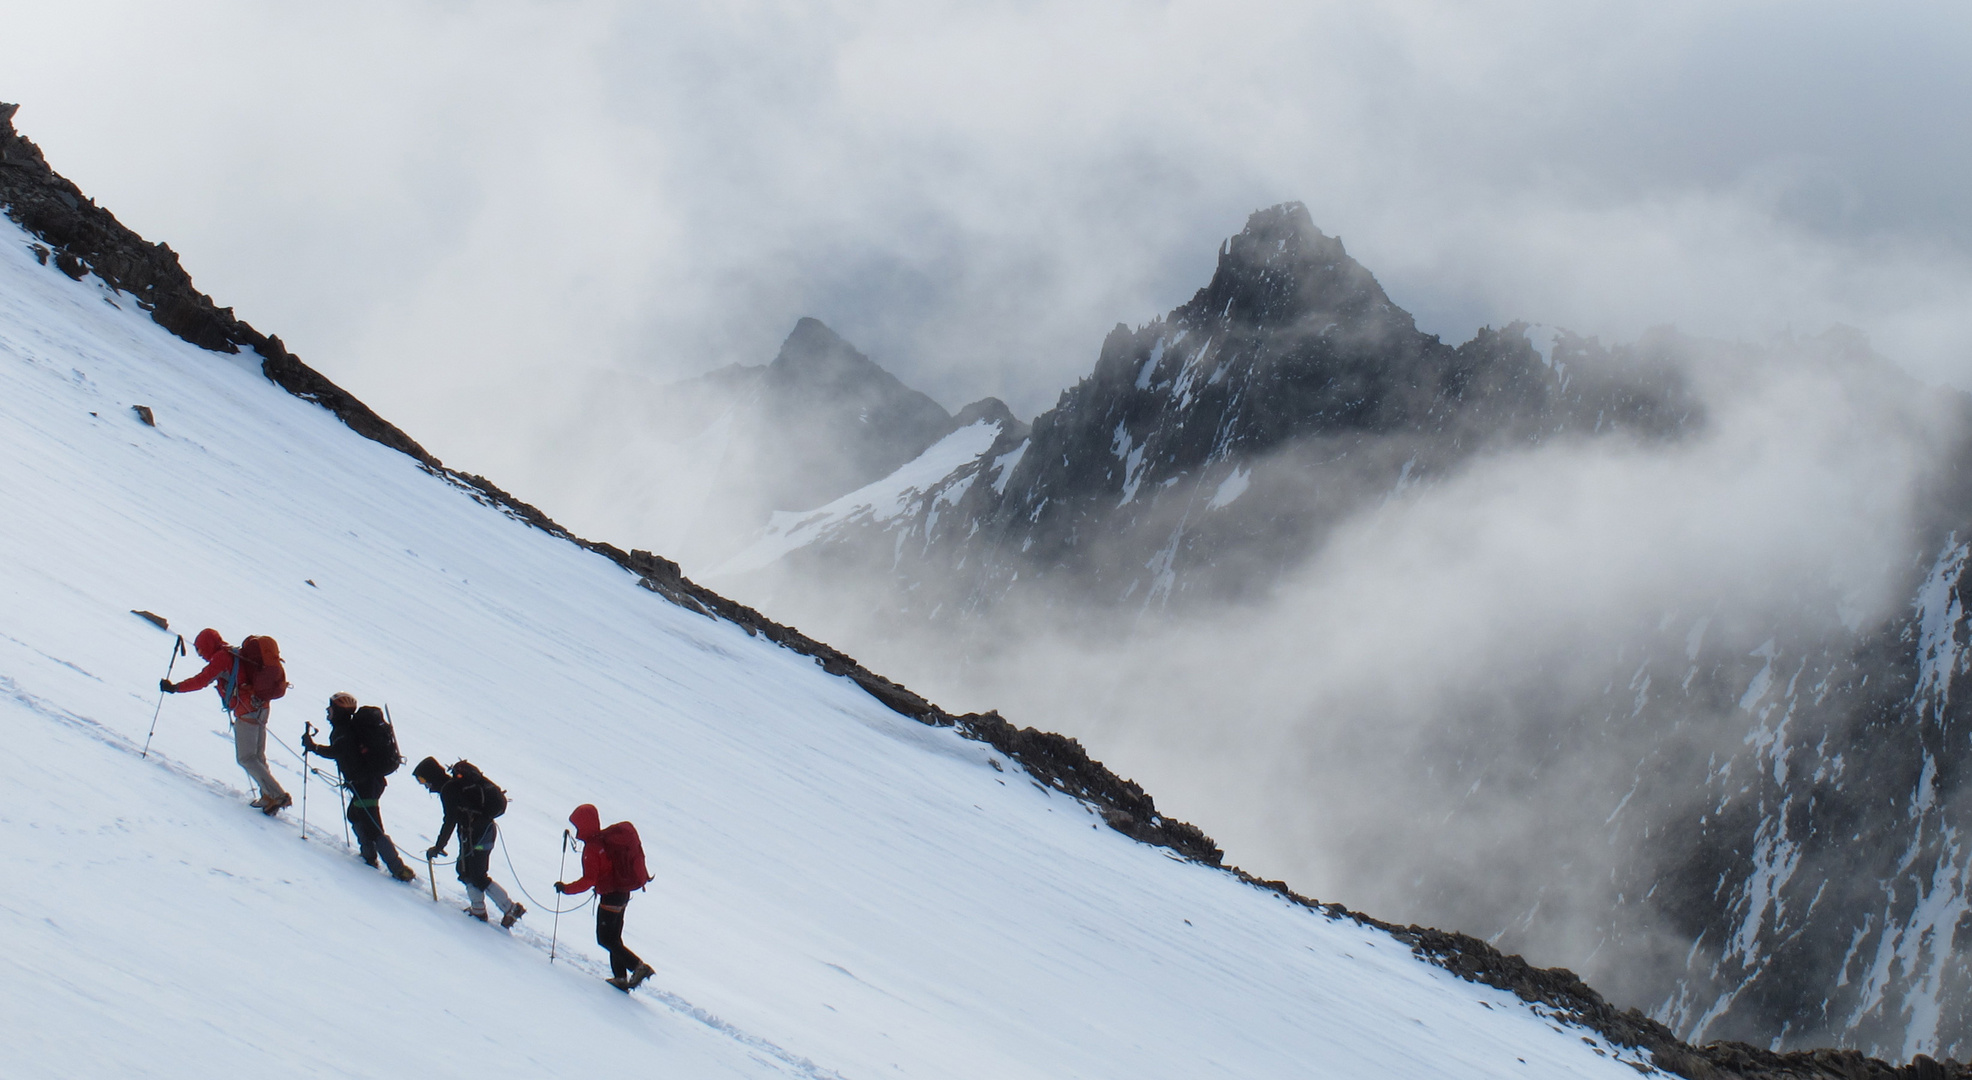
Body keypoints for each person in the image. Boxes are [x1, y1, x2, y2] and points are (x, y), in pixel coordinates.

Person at [162, 627, 290, 813]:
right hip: (261, 706)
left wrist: (175, 688)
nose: (201, 654)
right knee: (257, 756)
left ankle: (278, 795)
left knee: (246, 758)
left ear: (207, 645)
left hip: (246, 709)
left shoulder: (221, 658)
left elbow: (202, 680)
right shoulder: (232, 652)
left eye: (200, 650)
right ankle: (268, 795)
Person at [303, 693, 416, 882]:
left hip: (365, 785)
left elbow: (337, 752)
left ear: (338, 711)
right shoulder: (348, 728)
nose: (327, 712)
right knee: (355, 815)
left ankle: (398, 868)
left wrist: (313, 747)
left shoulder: (343, 731)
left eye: (330, 709)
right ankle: (369, 855)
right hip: (370, 783)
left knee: (373, 826)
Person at [413, 756, 524, 928]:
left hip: (476, 835)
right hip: (482, 832)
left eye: (423, 780)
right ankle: (479, 909)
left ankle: (510, 908)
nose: (425, 785)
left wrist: (438, 847)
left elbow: (449, 821)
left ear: (431, 776)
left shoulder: (449, 790)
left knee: (476, 875)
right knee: (466, 871)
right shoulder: (456, 787)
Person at [557, 803, 653, 990]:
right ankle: (620, 978)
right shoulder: (604, 841)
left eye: (578, 826)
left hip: (610, 897)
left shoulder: (592, 849)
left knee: (605, 939)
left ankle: (638, 967)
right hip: (622, 894)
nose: (577, 830)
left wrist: (566, 889)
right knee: (614, 939)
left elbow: (589, 879)